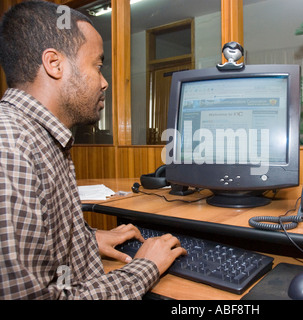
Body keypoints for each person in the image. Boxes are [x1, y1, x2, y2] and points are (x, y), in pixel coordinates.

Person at [0, 0, 186, 299]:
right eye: (97, 65)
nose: (104, 82)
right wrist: (145, 267)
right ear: (54, 64)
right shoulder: (9, 148)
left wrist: (84, 239)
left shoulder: (40, 137)